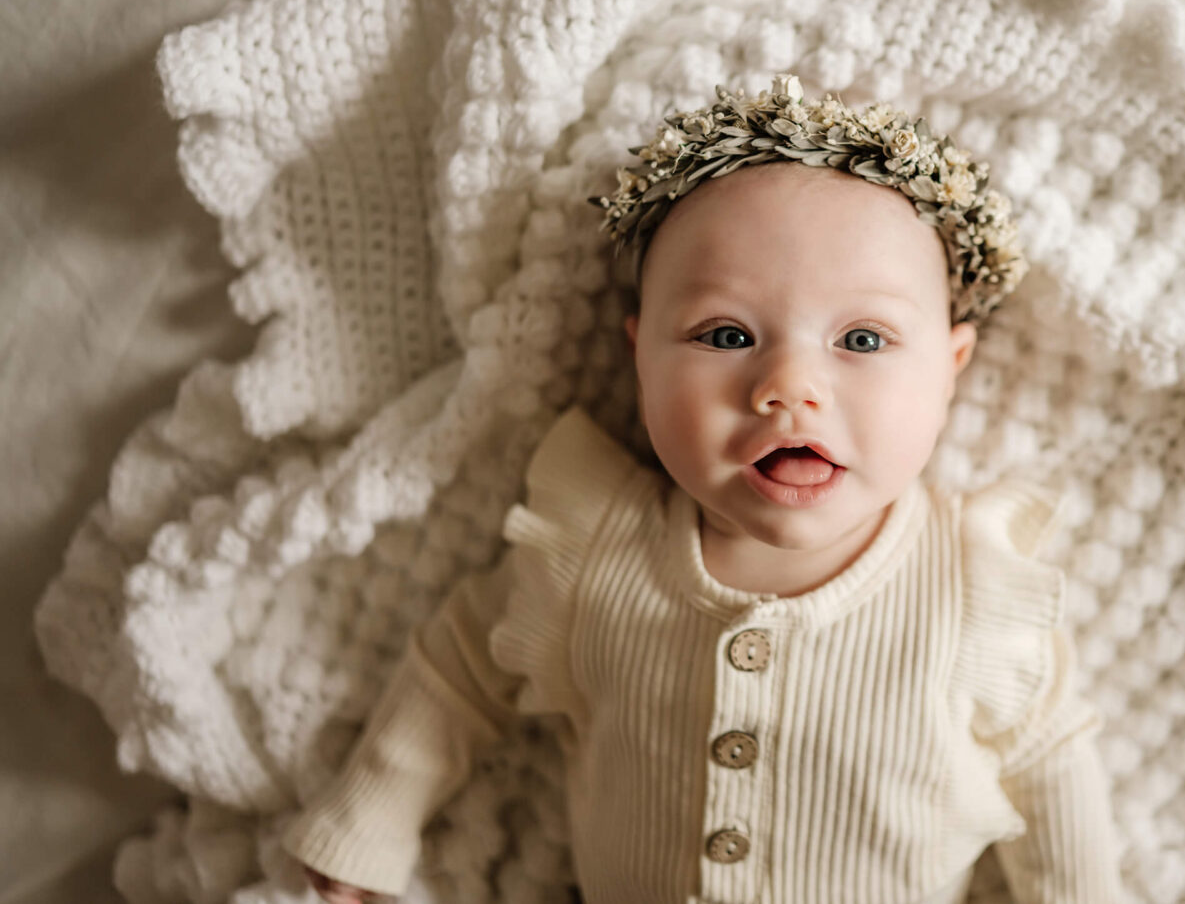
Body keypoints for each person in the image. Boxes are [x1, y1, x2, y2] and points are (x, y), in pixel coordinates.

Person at [285, 75, 1125, 903]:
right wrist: (372, 820)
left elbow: (1052, 760)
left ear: (949, 371)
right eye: (727, 334)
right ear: (639, 357)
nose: (789, 386)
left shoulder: (973, 588)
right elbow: (462, 668)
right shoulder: (593, 551)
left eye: (862, 338)